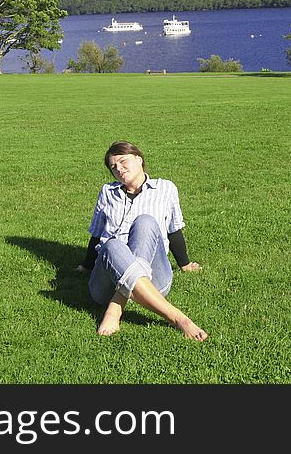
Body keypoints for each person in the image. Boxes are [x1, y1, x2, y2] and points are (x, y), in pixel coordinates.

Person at [81, 141, 208, 340]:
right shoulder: (107, 192)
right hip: (106, 283)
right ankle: (177, 317)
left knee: (146, 222)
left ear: (139, 159)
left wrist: (184, 264)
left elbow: (173, 230)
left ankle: (115, 308)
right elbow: (97, 235)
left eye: (123, 162)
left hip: (154, 280)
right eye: (113, 167)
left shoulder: (165, 188)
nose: (119, 169)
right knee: (112, 244)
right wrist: (87, 266)